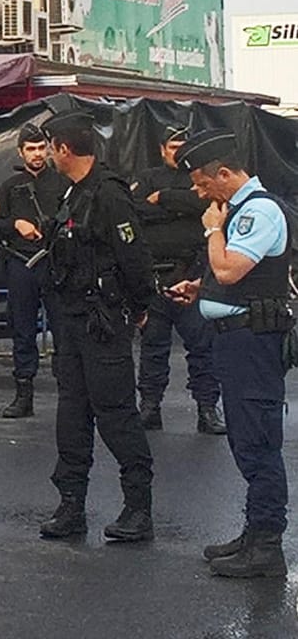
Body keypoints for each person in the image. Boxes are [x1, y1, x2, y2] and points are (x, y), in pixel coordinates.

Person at [168, 130, 292, 579]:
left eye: (203, 183)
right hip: (234, 338)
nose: (200, 193)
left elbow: (229, 267)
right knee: (243, 439)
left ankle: (267, 547)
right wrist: (201, 289)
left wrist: (213, 230)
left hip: (252, 342)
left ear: (224, 173)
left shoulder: (257, 212)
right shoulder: (239, 211)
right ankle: (253, 532)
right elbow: (229, 277)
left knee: (258, 442)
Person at [37, 110, 156, 543]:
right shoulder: (72, 195)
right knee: (71, 415)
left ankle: (138, 509)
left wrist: (141, 307)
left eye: (51, 147)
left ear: (64, 149)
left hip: (103, 322)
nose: (49, 155)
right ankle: (71, 505)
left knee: (116, 414)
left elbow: (135, 259)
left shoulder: (109, 195)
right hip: (72, 321)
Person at [132, 126, 225, 434]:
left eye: (183, 146)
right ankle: (149, 407)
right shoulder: (146, 178)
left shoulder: (200, 179)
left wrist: (165, 199)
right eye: (172, 146)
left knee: (203, 348)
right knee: (153, 347)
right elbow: (135, 208)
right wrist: (178, 209)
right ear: (162, 149)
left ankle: (207, 409)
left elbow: (206, 206)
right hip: (156, 275)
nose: (177, 151)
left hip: (193, 274)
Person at [0, 122, 69, 418]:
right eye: (30, 149)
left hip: (55, 262)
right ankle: (24, 394)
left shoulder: (63, 183)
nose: (36, 154)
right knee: (22, 330)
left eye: (40, 148)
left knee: (64, 329)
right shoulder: (9, 188)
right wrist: (15, 225)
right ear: (20, 152)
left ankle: (69, 395)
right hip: (21, 264)